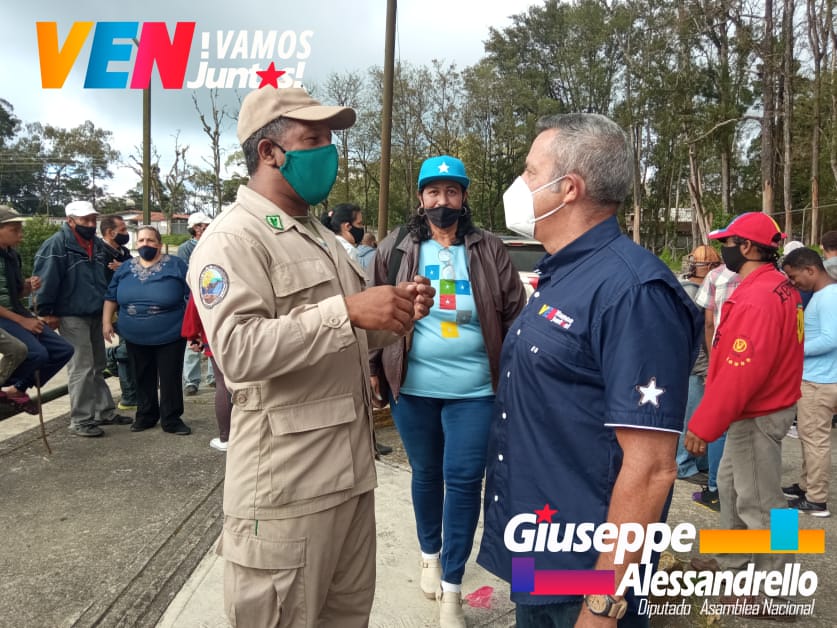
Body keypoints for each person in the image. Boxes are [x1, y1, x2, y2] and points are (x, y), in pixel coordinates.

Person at [188, 85, 434, 628]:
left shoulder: (320, 238)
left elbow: (348, 339)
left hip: (348, 479)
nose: (329, 154)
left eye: (330, 140)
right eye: (314, 139)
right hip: (285, 494)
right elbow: (237, 352)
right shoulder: (233, 240)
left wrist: (393, 315)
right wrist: (346, 311)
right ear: (269, 152)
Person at [477, 114, 702, 627]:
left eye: (531, 173)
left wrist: (602, 604)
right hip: (538, 547)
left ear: (569, 188)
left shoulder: (633, 293)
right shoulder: (564, 273)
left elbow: (651, 469)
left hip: (586, 572)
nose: (521, 185)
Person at [369, 154, 526, 627]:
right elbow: (374, 314)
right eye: (434, 192)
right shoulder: (394, 248)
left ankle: (453, 589)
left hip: (476, 389)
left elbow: (515, 312)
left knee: (463, 481)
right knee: (426, 473)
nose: (443, 201)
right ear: (421, 197)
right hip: (412, 387)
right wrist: (375, 371)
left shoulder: (489, 248)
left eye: (452, 192)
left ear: (464, 198)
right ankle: (429, 555)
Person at [685, 213, 803, 600]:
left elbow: (741, 374)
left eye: (728, 244)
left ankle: (774, 589)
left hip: (758, 412)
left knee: (765, 504)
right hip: (761, 408)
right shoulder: (779, 287)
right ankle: (731, 565)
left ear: (749, 247)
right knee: (731, 489)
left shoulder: (757, 298)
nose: (723, 252)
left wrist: (703, 425)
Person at [33, 201, 131, 437]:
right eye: (84, 220)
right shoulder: (56, 246)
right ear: (70, 220)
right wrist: (46, 312)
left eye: (92, 219)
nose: (90, 224)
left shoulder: (96, 245)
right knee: (81, 367)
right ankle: (81, 419)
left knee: (97, 364)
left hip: (94, 312)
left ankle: (103, 410)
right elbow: (45, 279)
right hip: (71, 314)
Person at [103, 226, 191, 435]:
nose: (145, 244)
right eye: (141, 240)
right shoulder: (125, 268)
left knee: (170, 377)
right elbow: (111, 296)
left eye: (150, 240)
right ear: (136, 244)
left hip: (170, 332)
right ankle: (145, 415)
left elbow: (191, 295)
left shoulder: (177, 265)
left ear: (159, 244)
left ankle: (171, 419)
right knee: (141, 376)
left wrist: (193, 328)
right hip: (134, 334)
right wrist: (106, 322)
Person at [781, 247, 837, 517]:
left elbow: (831, 338)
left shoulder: (829, 297)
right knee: (808, 436)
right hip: (816, 378)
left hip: (821, 381)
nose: (793, 283)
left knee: (815, 440)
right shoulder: (824, 295)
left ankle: (816, 499)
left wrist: (793, 349)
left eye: (794, 277)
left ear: (811, 270)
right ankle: (806, 486)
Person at [0, 205, 73, 411]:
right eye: (15, 230)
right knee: (36, 353)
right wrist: (23, 321)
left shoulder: (11, 255)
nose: (20, 235)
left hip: (15, 311)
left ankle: (18, 389)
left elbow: (15, 293)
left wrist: (26, 286)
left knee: (63, 350)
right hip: (7, 316)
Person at [690, 262, 740, 512]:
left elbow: (708, 324)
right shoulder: (780, 283)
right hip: (770, 386)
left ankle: (716, 489)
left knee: (766, 493)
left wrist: (714, 364)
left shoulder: (718, 276)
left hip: (728, 365)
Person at [675, 245, 721, 486]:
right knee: (692, 418)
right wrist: (705, 369)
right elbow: (695, 338)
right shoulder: (692, 293)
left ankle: (698, 462)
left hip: (689, 366)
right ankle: (684, 464)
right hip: (695, 367)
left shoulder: (689, 289)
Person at [181, 294, 232, 451]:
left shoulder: (208, 270)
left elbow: (196, 301)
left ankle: (227, 437)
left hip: (218, 333)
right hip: (256, 330)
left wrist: (192, 334)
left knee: (223, 384)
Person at [100, 215, 137, 411]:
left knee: (131, 347)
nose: (126, 233)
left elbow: (137, 268)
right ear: (110, 232)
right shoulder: (101, 253)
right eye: (122, 230)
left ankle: (130, 395)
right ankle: (111, 356)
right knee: (127, 349)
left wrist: (125, 267)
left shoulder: (123, 253)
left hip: (128, 306)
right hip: (112, 308)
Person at [178, 211, 214, 395]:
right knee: (192, 341)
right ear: (196, 228)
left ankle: (213, 376)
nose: (205, 229)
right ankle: (191, 380)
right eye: (203, 226)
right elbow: (187, 274)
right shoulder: (186, 248)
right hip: (193, 297)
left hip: (211, 295)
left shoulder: (214, 243)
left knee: (213, 337)